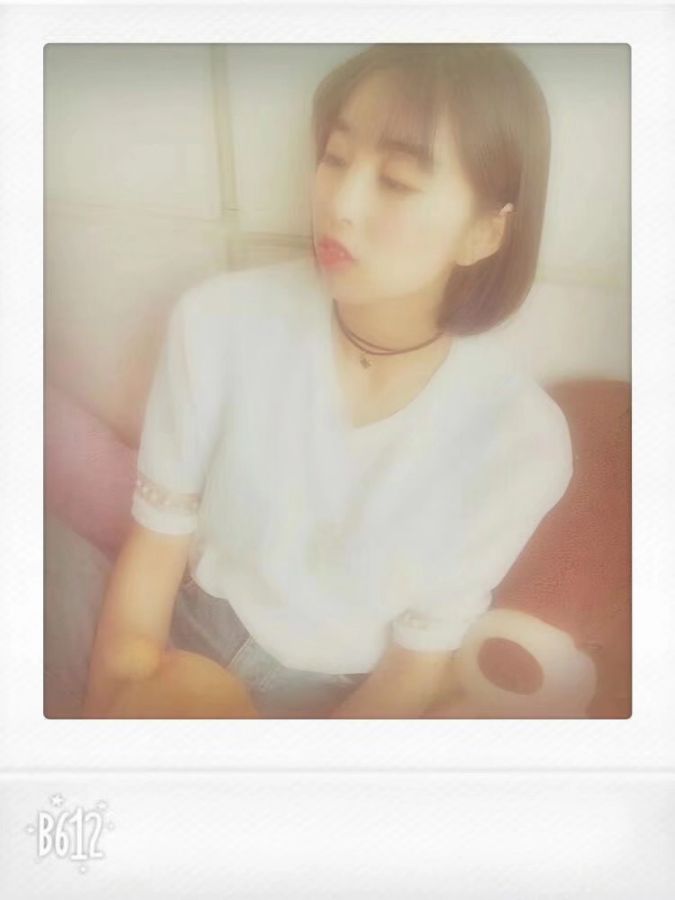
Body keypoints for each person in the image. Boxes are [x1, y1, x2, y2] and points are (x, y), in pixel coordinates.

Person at [45, 43, 573, 719]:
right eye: (335, 156)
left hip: (334, 697)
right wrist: (113, 708)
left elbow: (414, 666)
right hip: (183, 630)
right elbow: (157, 542)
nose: (339, 203)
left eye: (397, 180)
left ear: (482, 233)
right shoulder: (220, 321)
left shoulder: (520, 441)